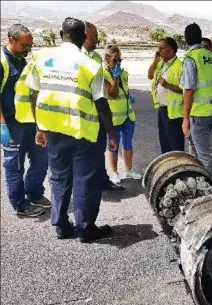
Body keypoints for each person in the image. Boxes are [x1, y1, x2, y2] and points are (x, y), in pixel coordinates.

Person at [25, 17, 118, 242]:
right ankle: (86, 229)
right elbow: (101, 103)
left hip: (54, 130)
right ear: (83, 37)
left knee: (58, 178)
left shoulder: (41, 57)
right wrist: (112, 134)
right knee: (85, 180)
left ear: (60, 34)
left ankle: (60, 225)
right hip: (83, 132)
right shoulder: (90, 65)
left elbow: (33, 93)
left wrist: (40, 126)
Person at [0, 24, 49, 218]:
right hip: (12, 126)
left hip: (31, 123)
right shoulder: (2, 62)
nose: (28, 50)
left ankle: (34, 193)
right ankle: (20, 204)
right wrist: (2, 125)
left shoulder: (23, 61)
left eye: (30, 46)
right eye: (25, 45)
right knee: (15, 166)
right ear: (11, 40)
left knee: (41, 160)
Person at [82, 21, 123, 191]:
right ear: (84, 37)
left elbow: (103, 94)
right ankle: (86, 187)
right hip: (82, 117)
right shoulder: (78, 59)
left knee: (98, 152)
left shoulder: (95, 58)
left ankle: (102, 181)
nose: (97, 41)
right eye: (94, 37)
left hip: (98, 115)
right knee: (84, 156)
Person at [181, 23, 212, 177]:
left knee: (203, 156)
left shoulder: (191, 58)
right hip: (211, 110)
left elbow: (189, 90)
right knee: (197, 150)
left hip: (199, 113)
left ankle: (211, 190)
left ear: (186, 39)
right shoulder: (209, 56)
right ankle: (199, 180)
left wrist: (185, 119)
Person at [102, 45, 141, 182]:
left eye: (120, 60)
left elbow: (125, 91)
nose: (118, 63)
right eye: (115, 60)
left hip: (128, 116)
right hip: (113, 118)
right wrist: (116, 78)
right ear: (107, 60)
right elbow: (112, 94)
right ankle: (113, 172)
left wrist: (129, 97)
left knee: (128, 144)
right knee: (113, 145)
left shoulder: (124, 73)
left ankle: (129, 170)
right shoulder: (103, 75)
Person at [147, 37, 184, 153]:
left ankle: (178, 168)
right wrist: (155, 61)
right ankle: (168, 167)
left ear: (171, 50)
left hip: (174, 112)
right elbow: (149, 75)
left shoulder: (180, 65)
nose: (159, 51)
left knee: (175, 144)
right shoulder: (161, 63)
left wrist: (167, 85)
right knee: (165, 142)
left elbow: (185, 90)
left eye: (162, 48)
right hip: (162, 109)